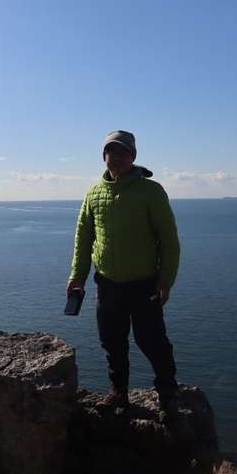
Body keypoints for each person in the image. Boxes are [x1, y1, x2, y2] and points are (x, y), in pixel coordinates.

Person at [67, 130, 181, 421]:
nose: (116, 157)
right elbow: (84, 237)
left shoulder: (151, 191)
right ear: (103, 156)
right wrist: (77, 276)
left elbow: (169, 240)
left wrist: (165, 280)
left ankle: (168, 395)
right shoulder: (94, 193)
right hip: (107, 285)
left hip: (144, 284)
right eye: (111, 151)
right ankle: (119, 393)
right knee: (112, 342)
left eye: (123, 152)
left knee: (152, 341)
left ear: (133, 156)